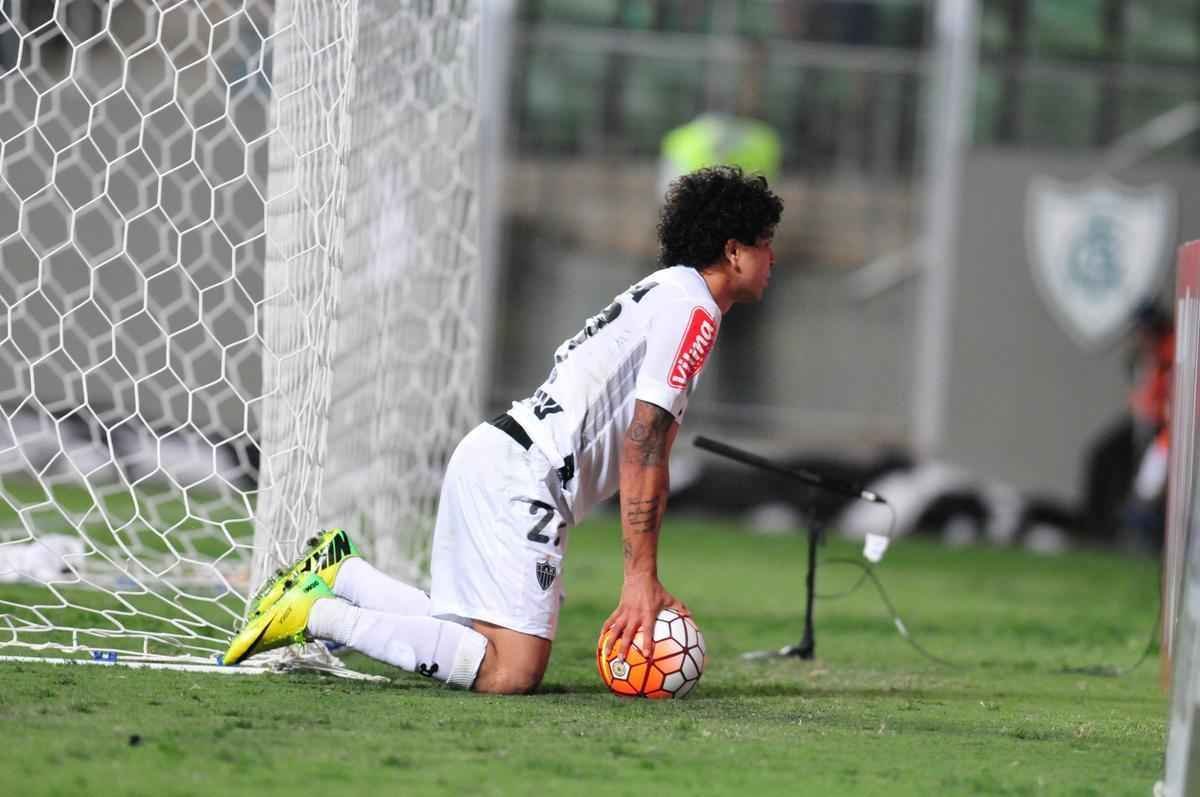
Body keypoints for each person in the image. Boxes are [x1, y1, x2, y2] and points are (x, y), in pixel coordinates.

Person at [223, 166, 784, 693]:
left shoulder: (669, 290)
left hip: (502, 457)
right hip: (523, 477)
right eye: (764, 241)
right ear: (733, 251)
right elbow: (644, 445)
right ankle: (316, 614)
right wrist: (640, 578)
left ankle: (344, 578)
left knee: (464, 635)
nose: (772, 256)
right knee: (510, 670)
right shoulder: (693, 309)